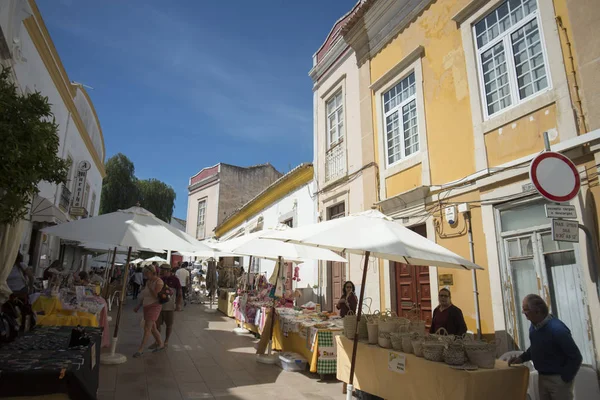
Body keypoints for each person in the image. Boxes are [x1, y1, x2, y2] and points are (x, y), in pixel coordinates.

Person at [508, 294, 582, 400]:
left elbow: (575, 357)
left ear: (537, 311)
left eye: (526, 310)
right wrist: (521, 358)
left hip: (558, 380)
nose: (523, 313)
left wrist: (565, 378)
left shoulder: (557, 330)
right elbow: (535, 347)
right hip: (542, 377)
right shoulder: (534, 327)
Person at [133, 265, 165, 357]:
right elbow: (145, 295)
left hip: (154, 306)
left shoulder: (159, 282)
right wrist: (138, 306)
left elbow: (156, 296)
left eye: (146, 273)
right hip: (146, 306)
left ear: (151, 272)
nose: (145, 275)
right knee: (153, 328)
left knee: (147, 328)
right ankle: (160, 344)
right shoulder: (148, 281)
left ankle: (141, 349)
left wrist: (151, 288)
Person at [152, 264, 182, 348]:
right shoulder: (159, 279)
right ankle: (158, 340)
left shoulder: (175, 280)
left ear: (166, 270)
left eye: (162, 270)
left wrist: (178, 304)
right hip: (159, 306)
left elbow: (179, 293)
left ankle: (166, 341)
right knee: (157, 324)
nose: (160, 272)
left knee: (169, 325)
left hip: (170, 306)